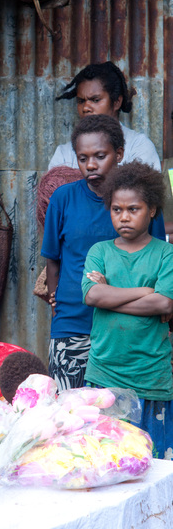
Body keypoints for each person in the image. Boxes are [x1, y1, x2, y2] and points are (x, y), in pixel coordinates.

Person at [40, 115, 165, 392]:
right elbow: (52, 258)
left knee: (120, 420)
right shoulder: (63, 199)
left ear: (119, 154)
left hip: (128, 327)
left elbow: (157, 259)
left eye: (100, 155)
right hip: (73, 322)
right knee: (69, 417)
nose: (91, 165)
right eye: (82, 158)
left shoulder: (141, 204)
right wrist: (55, 300)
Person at [82, 161, 173, 458]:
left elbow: (164, 303)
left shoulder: (166, 254)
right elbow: (94, 296)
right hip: (104, 374)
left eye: (133, 209)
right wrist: (144, 292)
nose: (123, 217)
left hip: (151, 379)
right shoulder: (100, 252)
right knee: (104, 461)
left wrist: (114, 296)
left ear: (152, 210)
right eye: (116, 209)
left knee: (152, 465)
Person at [48, 61, 161, 171]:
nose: (86, 108)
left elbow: (143, 189)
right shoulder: (64, 154)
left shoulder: (139, 146)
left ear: (117, 102)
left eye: (95, 100)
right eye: (81, 101)